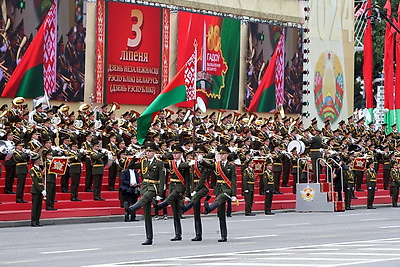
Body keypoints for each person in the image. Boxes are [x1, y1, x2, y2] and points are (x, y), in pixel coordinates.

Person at [127, 141, 166, 245]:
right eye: (146, 151)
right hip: (145, 187)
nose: (147, 153)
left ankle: (132, 208)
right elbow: (130, 166)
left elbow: (162, 179)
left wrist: (160, 194)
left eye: (149, 151)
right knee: (147, 214)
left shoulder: (159, 163)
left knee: (145, 198)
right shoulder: (144, 161)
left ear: (154, 152)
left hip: (154, 188)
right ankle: (149, 238)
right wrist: (136, 157)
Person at [154, 144, 191, 241]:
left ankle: (161, 205)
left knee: (173, 195)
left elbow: (187, 179)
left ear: (181, 154)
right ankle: (178, 234)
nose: (175, 155)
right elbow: (162, 162)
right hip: (172, 186)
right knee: (175, 212)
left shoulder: (185, 164)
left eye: (177, 153)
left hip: (180, 187)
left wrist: (188, 193)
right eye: (173, 153)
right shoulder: (170, 163)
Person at [201, 145, 237, 242]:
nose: (222, 155)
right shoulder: (217, 165)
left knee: (220, 198)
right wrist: (201, 161)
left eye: (223, 154)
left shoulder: (231, 166)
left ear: (227, 154)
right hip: (219, 188)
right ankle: (223, 235)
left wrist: (234, 194)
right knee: (221, 213)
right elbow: (208, 166)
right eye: (220, 154)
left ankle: (209, 208)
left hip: (227, 189)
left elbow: (233, 180)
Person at [182, 144, 211, 241]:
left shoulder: (206, 163)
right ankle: (198, 234)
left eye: (200, 153)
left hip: (202, 187)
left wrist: (195, 190)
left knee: (194, 199)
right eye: (197, 153)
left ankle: (185, 208)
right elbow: (188, 178)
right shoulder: (192, 163)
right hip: (193, 187)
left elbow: (203, 178)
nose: (198, 154)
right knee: (196, 212)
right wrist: (189, 190)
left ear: (204, 154)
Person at [30, 154, 46, 227]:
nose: (40, 161)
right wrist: (41, 190)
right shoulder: (32, 170)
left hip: (40, 188)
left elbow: (41, 179)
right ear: (36, 161)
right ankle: (33, 221)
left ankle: (37, 220)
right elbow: (35, 181)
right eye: (39, 160)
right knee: (35, 206)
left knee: (39, 206)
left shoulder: (39, 169)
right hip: (36, 190)